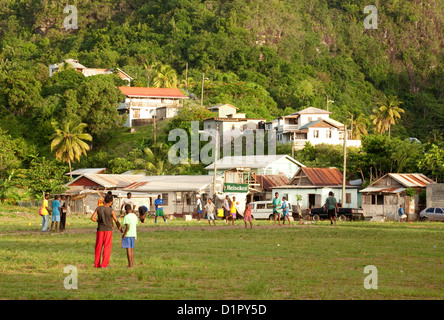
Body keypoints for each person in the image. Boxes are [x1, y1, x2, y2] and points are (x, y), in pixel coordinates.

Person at [91, 194, 123, 268]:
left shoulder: (98, 208)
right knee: (107, 247)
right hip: (108, 230)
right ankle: (104, 264)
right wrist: (121, 229)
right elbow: (116, 221)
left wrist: (98, 221)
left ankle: (97, 264)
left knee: (98, 247)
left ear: (104, 200)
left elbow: (92, 218)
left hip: (100, 230)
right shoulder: (111, 210)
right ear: (111, 202)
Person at [122, 204, 138, 268]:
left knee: (128, 249)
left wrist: (124, 234)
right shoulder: (134, 216)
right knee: (131, 249)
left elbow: (127, 226)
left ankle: (130, 265)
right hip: (133, 234)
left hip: (128, 234)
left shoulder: (126, 217)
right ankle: (132, 264)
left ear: (125, 210)